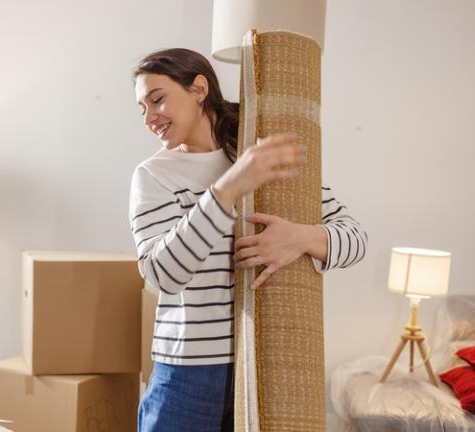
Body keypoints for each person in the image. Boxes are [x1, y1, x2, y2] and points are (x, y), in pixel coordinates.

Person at [130, 48, 368, 432]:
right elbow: (162, 274)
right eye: (141, 108)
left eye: (157, 99)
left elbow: (356, 238)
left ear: (199, 88)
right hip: (188, 373)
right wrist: (227, 189)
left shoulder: (260, 158)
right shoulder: (154, 176)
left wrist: (300, 237)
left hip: (267, 365)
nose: (149, 118)